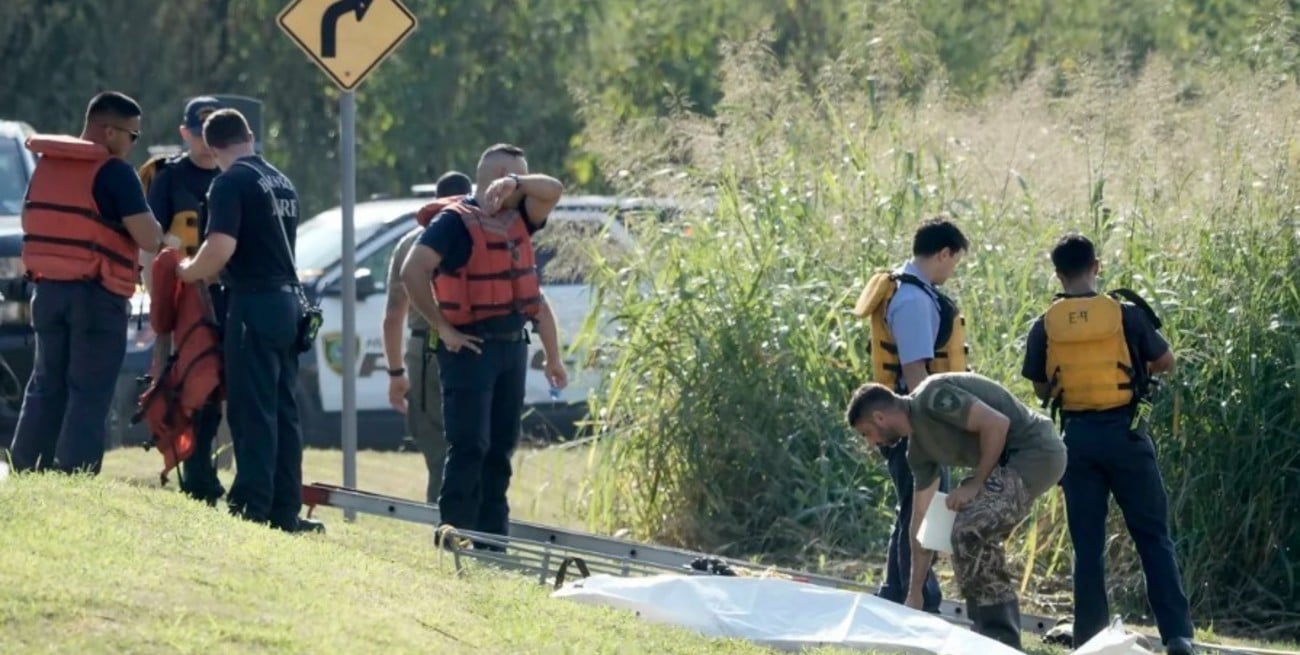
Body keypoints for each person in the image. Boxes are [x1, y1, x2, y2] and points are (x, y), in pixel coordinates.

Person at [1021, 234, 1196, 655]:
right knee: (1153, 537)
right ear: (1096, 266)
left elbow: (1042, 390)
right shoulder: (1126, 314)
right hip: (1128, 435)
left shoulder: (1045, 323)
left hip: (1077, 442)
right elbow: (1166, 361)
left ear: (1057, 273)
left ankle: (1090, 640)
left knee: (1087, 545)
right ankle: (1177, 636)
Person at [401, 143, 568, 545]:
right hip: (469, 350)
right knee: (469, 444)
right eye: (516, 180)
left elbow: (554, 189)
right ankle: (454, 531)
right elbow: (413, 270)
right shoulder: (453, 224)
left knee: (501, 445)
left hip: (511, 348)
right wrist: (444, 327)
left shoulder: (521, 218)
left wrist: (554, 357)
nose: (527, 191)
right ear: (495, 179)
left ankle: (493, 538)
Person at [845, 372, 1067, 650]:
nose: (870, 442)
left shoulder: (932, 398)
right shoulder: (918, 452)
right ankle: (988, 636)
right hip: (1007, 464)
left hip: (1036, 451)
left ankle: (1000, 640)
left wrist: (976, 483)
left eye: (866, 433)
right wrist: (915, 594)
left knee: (969, 526)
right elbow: (920, 523)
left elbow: (997, 424)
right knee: (958, 529)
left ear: (879, 417)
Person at [178, 108, 322, 534]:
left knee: (251, 410)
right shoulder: (281, 180)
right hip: (288, 305)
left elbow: (220, 248)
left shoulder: (229, 183)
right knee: (283, 410)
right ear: (250, 136)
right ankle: (284, 507)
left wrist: (187, 271)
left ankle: (251, 504)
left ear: (209, 145)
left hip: (253, 304)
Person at [9, 91, 164, 474]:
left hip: (47, 291)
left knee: (45, 383)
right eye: (133, 136)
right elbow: (149, 238)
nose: (132, 145)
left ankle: (28, 467)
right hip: (96, 294)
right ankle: (76, 472)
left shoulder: (48, 165)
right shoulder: (114, 172)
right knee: (89, 390)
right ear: (110, 132)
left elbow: (32, 221)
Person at [849, 216, 971, 613]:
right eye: (955, 261)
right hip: (913, 420)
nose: (953, 270)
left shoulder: (904, 288)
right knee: (925, 508)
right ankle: (914, 595)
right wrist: (932, 430)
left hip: (906, 416)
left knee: (912, 507)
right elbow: (917, 374)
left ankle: (898, 589)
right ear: (943, 253)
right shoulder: (915, 300)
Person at [141, 95, 228, 505]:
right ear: (185, 133)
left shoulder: (233, 174)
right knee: (193, 384)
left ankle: (206, 470)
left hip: (226, 293)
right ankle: (196, 472)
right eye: (198, 133)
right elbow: (155, 247)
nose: (206, 143)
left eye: (212, 133)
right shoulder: (169, 178)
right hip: (186, 295)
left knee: (222, 388)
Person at [382, 170, 473, 504]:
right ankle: (483, 528)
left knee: (439, 452)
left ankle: (445, 522)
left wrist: (395, 373)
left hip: (428, 349)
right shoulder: (486, 232)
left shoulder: (412, 242)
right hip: (479, 346)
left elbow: (394, 314)